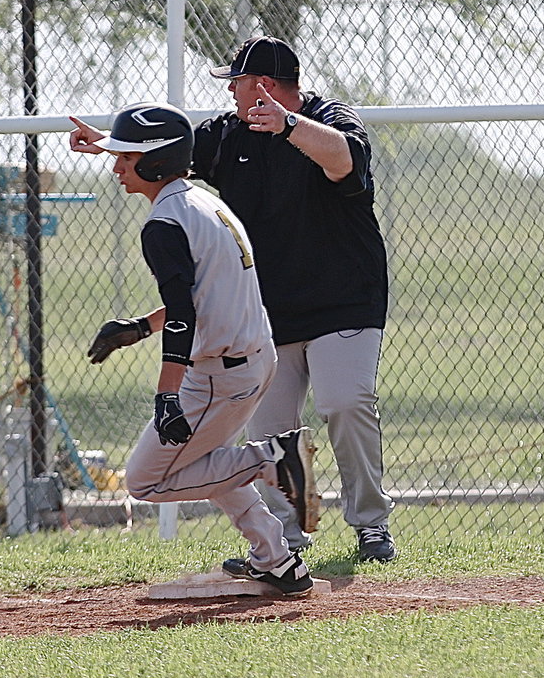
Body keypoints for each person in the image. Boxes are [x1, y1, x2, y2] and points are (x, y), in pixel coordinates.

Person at [69, 102, 319, 595]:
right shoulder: (203, 202)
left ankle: (273, 457)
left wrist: (167, 394)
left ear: (155, 162)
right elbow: (202, 294)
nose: (115, 166)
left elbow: (185, 316)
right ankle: (277, 560)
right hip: (250, 357)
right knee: (207, 460)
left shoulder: (163, 224)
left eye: (125, 156)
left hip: (218, 375)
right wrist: (141, 327)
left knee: (148, 482)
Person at [191, 36, 398, 562]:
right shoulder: (226, 136)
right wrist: (109, 142)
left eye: (236, 82)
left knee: (344, 403)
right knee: (270, 431)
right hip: (270, 311)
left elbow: (345, 159)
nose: (232, 92)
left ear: (262, 86)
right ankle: (285, 539)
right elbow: (169, 154)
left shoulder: (331, 120)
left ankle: (371, 525)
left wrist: (286, 125)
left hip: (342, 302)